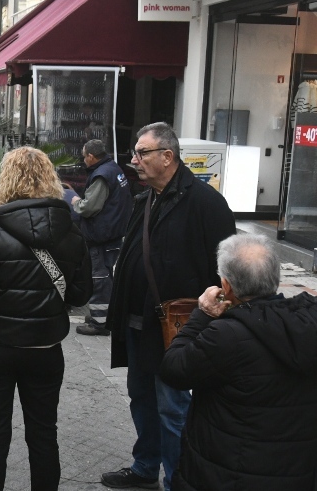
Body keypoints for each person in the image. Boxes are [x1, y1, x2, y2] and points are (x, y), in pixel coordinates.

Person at [101, 122, 235, 491]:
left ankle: (178, 480)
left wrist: (213, 318)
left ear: (167, 156)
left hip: (177, 329)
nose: (134, 161)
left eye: (141, 153)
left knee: (173, 408)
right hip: (137, 323)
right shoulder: (145, 198)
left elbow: (227, 271)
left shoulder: (206, 203)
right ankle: (145, 468)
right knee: (140, 397)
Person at [0, 147, 92, 491]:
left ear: (6, 180)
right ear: (50, 179)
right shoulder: (71, 232)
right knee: (45, 435)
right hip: (45, 348)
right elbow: (80, 295)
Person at [160, 234, 317, 491]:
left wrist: (202, 316)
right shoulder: (315, 325)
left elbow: (174, 369)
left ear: (226, 287)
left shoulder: (227, 336)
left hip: (231, 473)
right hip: (298, 473)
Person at [72, 139, 134, 336]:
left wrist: (75, 201)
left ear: (91, 156)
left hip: (101, 235)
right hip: (112, 233)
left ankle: (100, 323)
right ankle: (105, 316)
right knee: (106, 275)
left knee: (100, 278)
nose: (84, 160)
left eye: (84, 156)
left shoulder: (101, 175)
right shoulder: (113, 168)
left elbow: (89, 207)